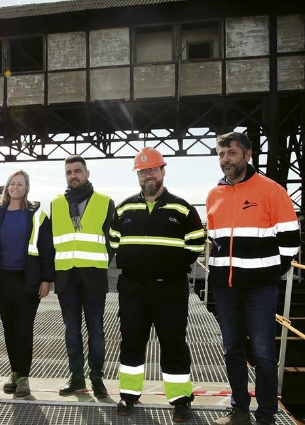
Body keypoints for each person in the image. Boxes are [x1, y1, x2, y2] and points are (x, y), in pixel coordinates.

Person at [206, 132, 300, 425]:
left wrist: (270, 274)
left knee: (263, 353)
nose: (226, 160)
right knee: (232, 349)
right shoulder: (213, 195)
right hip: (226, 288)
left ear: (248, 154)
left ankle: (267, 414)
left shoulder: (271, 191)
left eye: (231, 153)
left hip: (260, 289)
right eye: (221, 154)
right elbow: (213, 240)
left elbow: (291, 241)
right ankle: (240, 408)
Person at [109, 147, 205, 421]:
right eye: (142, 171)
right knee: (131, 343)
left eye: (152, 169)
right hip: (133, 289)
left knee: (174, 344)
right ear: (138, 175)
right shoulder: (125, 207)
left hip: (170, 289)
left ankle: (180, 400)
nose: (148, 175)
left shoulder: (182, 208)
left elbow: (196, 244)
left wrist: (168, 266)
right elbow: (115, 241)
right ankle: (128, 395)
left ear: (162, 171)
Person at [0, 170, 55, 398]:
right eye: (12, 183)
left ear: (26, 187)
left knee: (23, 329)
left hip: (27, 280)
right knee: (9, 328)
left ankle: (23, 377)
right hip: (2, 280)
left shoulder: (38, 215)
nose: (15, 187)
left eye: (20, 184)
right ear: (7, 187)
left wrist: (46, 278)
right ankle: (14, 371)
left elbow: (47, 249)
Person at [50, 154, 115, 398]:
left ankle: (97, 378)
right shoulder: (56, 204)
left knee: (96, 330)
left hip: (93, 277)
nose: (73, 175)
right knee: (71, 330)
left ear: (87, 173)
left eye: (77, 171)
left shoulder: (104, 202)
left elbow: (112, 241)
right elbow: (52, 241)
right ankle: (76, 378)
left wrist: (99, 263)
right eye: (69, 172)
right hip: (66, 276)